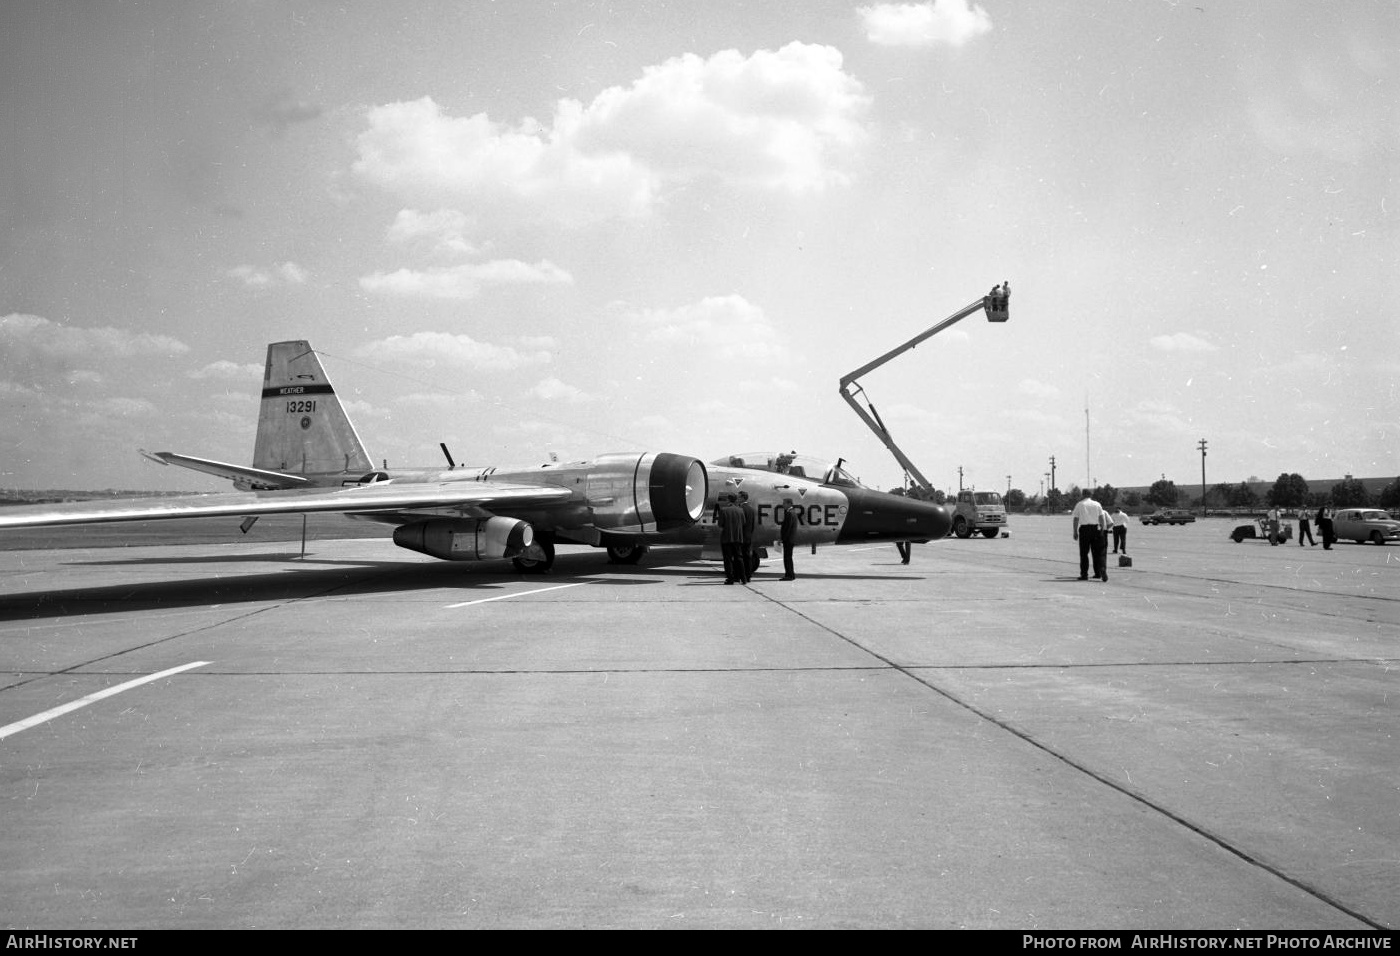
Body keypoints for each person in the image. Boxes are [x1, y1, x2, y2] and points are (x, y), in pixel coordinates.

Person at [1071, 490, 1108, 581]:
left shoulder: (1080, 504)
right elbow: (1101, 518)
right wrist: (1102, 529)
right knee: (1098, 553)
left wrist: (1075, 532)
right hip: (1096, 529)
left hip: (1084, 530)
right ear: (1090, 495)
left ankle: (1084, 574)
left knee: (1084, 553)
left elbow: (1076, 519)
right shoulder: (1097, 504)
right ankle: (1100, 571)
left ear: (1083, 495)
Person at [716, 493, 746, 583]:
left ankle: (730, 578)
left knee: (728, 559)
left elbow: (720, 525)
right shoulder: (740, 510)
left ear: (728, 500)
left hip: (727, 538)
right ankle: (743, 578)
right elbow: (744, 523)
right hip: (738, 538)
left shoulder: (723, 510)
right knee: (739, 558)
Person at [737, 490, 757, 582]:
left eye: (739, 497)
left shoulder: (740, 509)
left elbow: (739, 524)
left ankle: (740, 575)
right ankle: (748, 575)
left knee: (739, 557)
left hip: (740, 537)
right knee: (747, 557)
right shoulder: (751, 509)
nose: (737, 498)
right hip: (748, 537)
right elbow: (752, 525)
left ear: (743, 498)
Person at [779, 498, 798, 580]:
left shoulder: (789, 513)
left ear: (789, 504)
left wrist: (782, 539)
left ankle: (789, 575)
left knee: (787, 558)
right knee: (788, 557)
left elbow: (787, 528)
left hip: (788, 540)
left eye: (784, 503)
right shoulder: (792, 512)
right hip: (790, 539)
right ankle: (791, 574)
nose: (783, 505)